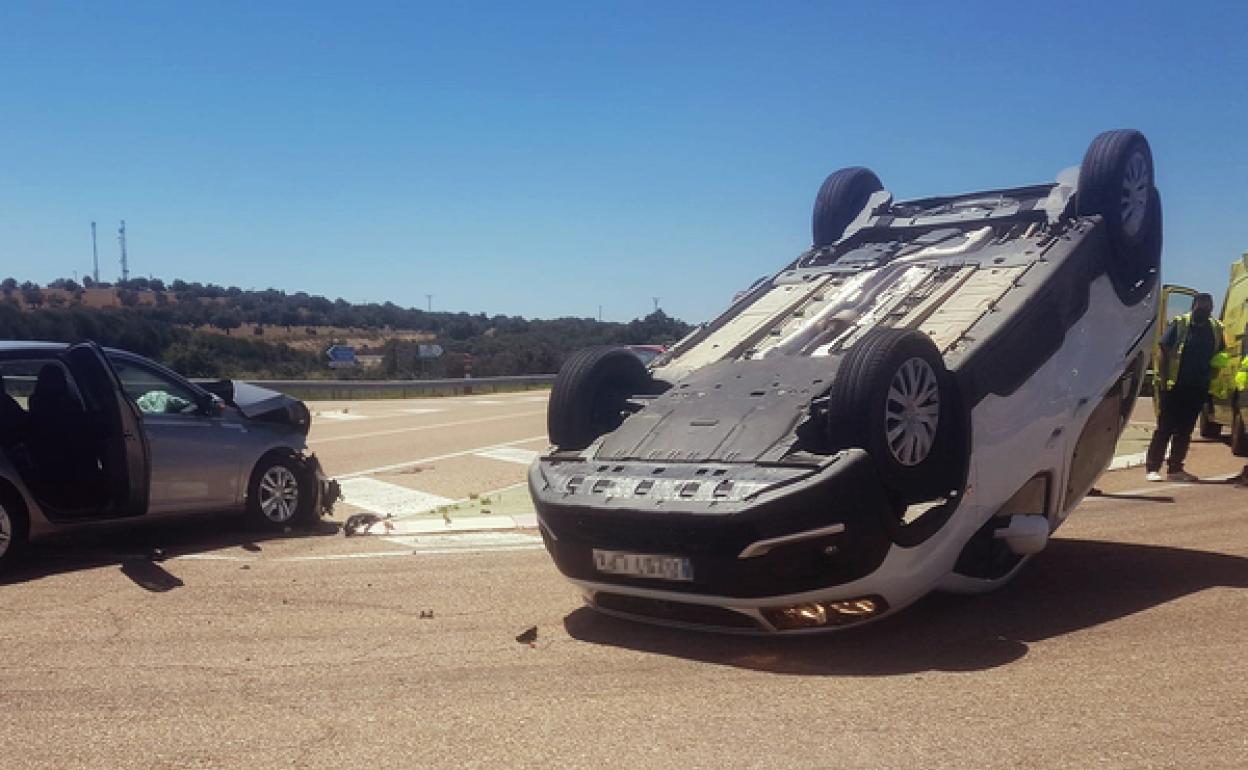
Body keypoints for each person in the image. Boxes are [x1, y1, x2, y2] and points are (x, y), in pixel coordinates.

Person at [1146, 293, 1225, 481]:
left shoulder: (1215, 328)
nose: (1203, 310)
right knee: (1164, 428)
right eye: (1200, 306)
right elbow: (1163, 350)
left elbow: (1220, 355)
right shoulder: (1180, 324)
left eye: (1207, 307)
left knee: (1185, 430)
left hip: (1197, 388)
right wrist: (1163, 380)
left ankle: (1175, 468)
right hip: (1174, 386)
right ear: (1193, 306)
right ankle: (1152, 468)